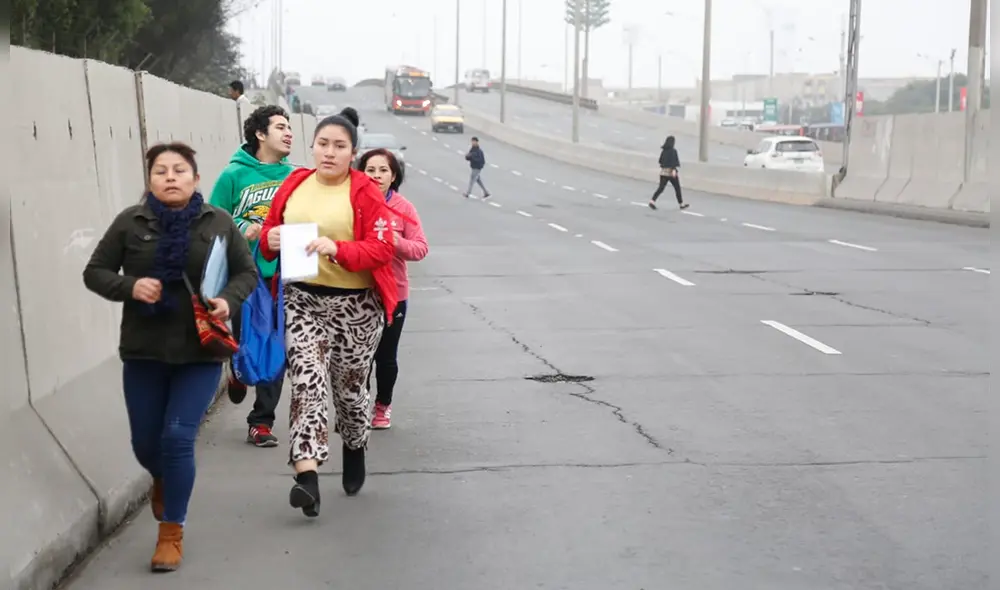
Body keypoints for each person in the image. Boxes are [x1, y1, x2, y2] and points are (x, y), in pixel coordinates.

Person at [82, 142, 257, 572]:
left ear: (196, 179)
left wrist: (227, 302)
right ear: (150, 181)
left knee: (178, 437)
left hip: (199, 351)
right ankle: (162, 477)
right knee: (146, 444)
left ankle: (171, 531)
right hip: (144, 351)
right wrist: (130, 287)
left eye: (180, 170)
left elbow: (245, 272)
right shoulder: (131, 222)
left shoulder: (217, 222)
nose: (171, 177)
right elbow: (95, 272)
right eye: (161, 171)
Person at [259, 108, 410, 517]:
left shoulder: (365, 192)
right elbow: (268, 239)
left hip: (356, 306)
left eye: (339, 146)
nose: (329, 152)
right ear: (313, 147)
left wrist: (336, 249)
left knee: (348, 390)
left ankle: (355, 443)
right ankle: (306, 475)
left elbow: (382, 249)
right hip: (302, 298)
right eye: (322, 144)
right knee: (307, 382)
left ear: (352, 153)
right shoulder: (294, 184)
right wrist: (269, 239)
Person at [210, 105, 295, 447]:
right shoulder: (233, 175)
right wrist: (243, 227)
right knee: (248, 341)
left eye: (289, 127)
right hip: (244, 275)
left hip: (284, 275)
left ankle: (261, 421)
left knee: (277, 346)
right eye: (280, 127)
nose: (288, 132)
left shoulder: (296, 177)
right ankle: (238, 370)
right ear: (260, 134)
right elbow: (213, 220)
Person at [358, 148, 429, 430]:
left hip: (393, 294)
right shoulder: (352, 203)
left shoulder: (404, 209)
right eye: (370, 170)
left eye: (383, 170)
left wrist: (395, 241)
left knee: (385, 357)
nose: (376, 176)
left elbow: (421, 248)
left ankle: (382, 406)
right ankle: (357, 405)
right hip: (357, 291)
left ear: (394, 175)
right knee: (358, 356)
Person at [648, 135, 688, 210]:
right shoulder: (673, 151)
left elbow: (660, 161)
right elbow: (674, 161)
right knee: (677, 188)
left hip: (663, 172)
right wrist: (673, 170)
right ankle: (681, 204)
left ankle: (652, 201)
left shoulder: (664, 151)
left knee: (661, 188)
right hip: (671, 172)